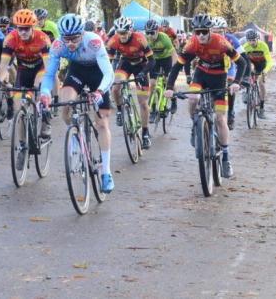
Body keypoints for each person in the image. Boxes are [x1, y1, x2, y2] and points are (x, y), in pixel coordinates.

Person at [39, 14, 115, 193]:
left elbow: (109, 73)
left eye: (74, 38)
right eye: (67, 38)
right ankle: (74, 135)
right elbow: (49, 74)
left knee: (102, 122)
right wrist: (44, 93)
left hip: (98, 73)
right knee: (66, 103)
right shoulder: (58, 45)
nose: (70, 43)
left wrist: (99, 92)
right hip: (77, 72)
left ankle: (106, 172)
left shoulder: (94, 41)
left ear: (82, 33)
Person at [165, 14, 246, 178]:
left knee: (220, 119)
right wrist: (169, 87)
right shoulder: (192, 43)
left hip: (219, 77)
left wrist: (237, 82)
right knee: (193, 97)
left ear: (209, 31)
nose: (201, 35)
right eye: (197, 32)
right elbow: (177, 67)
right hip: (201, 74)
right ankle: (195, 126)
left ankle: (225, 157)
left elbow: (242, 63)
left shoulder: (221, 42)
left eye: (204, 31)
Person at [0, 9, 51, 140]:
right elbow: (3, 66)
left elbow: (48, 67)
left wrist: (43, 85)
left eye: (26, 29)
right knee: (18, 106)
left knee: (38, 88)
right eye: (20, 29)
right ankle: (22, 145)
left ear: (33, 27)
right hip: (23, 70)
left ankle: (45, 119)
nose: (23, 32)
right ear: (16, 28)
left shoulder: (43, 39)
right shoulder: (10, 39)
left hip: (40, 69)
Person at [107, 16, 155, 149]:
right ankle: (119, 110)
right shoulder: (113, 41)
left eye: (124, 32)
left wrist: (143, 73)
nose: (121, 36)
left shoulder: (140, 38)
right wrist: (108, 77)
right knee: (115, 88)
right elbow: (108, 62)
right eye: (119, 32)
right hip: (125, 64)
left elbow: (152, 61)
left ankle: (145, 133)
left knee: (143, 103)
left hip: (141, 65)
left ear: (130, 31)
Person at [212, 16, 248, 129]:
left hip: (229, 66)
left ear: (225, 30)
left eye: (220, 32)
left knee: (230, 83)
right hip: (213, 67)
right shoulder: (207, 39)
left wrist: (245, 76)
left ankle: (231, 111)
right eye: (214, 31)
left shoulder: (231, 39)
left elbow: (244, 58)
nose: (217, 34)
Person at [143, 19, 177, 121]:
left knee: (168, 80)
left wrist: (175, 69)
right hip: (154, 60)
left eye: (152, 33)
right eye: (147, 33)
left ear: (157, 31)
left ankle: (174, 100)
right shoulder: (145, 39)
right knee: (153, 84)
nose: (149, 35)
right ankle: (153, 110)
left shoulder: (164, 38)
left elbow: (174, 54)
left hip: (166, 59)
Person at [242, 29, 273, 118]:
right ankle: (246, 91)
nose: (252, 42)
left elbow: (269, 61)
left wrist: (265, 71)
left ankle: (262, 108)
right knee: (246, 77)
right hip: (252, 65)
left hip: (262, 65)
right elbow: (242, 61)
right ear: (247, 40)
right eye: (250, 40)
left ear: (257, 39)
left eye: (254, 40)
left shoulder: (263, 46)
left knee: (261, 84)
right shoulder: (245, 47)